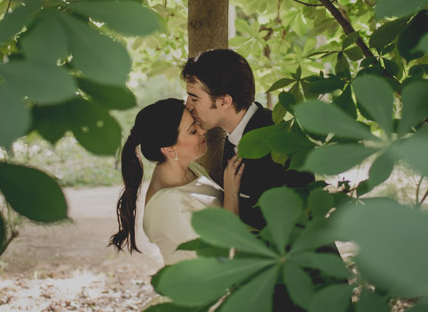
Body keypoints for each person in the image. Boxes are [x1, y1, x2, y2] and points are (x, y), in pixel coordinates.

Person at [182, 49, 314, 230]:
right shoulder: (234, 135)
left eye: (194, 98)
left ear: (224, 102)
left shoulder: (277, 143)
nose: (188, 105)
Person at [110, 98, 244, 267]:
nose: (202, 131)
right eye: (192, 131)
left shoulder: (194, 169)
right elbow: (223, 255)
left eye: (196, 123)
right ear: (169, 149)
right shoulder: (168, 204)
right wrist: (231, 195)